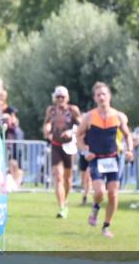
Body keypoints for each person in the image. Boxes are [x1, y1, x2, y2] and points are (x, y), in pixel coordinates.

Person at [77, 82, 134, 238]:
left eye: (104, 94)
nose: (102, 97)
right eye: (98, 95)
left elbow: (128, 135)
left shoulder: (118, 116)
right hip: (96, 158)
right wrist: (85, 150)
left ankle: (106, 227)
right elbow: (79, 136)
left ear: (109, 96)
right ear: (95, 98)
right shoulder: (89, 117)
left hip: (113, 158)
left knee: (113, 194)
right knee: (100, 192)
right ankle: (95, 207)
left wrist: (130, 150)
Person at [42, 85, 82, 219]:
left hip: (69, 146)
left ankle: (65, 199)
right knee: (58, 176)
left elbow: (81, 126)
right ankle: (62, 207)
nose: (60, 99)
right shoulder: (51, 110)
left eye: (62, 97)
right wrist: (47, 130)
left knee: (67, 178)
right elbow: (46, 123)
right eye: (58, 96)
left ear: (67, 98)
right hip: (56, 145)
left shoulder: (73, 110)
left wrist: (70, 132)